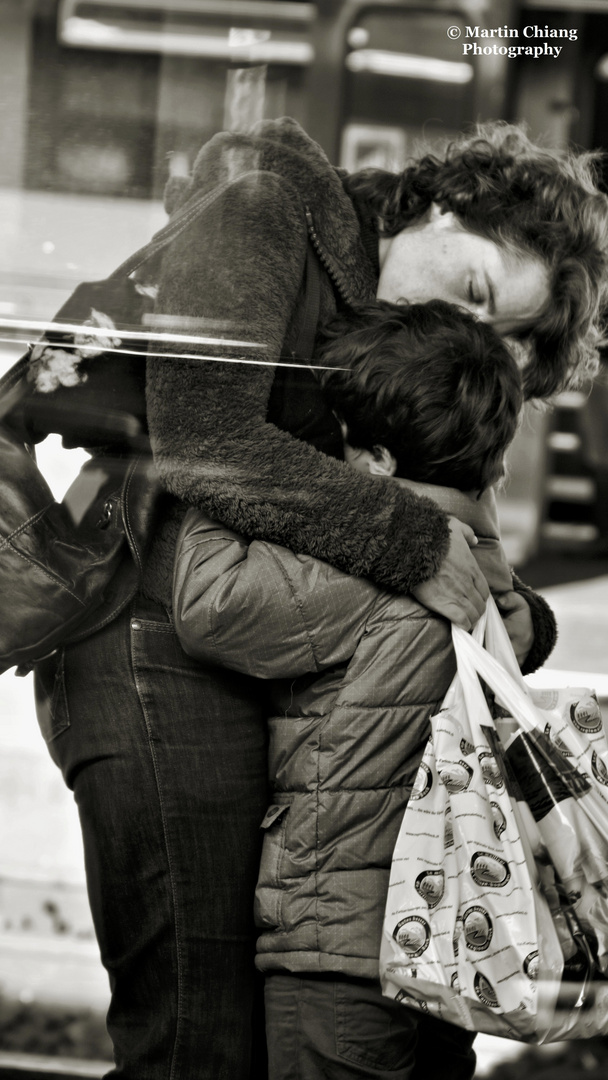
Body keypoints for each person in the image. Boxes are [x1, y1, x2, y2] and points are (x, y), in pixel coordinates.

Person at [32, 117, 608, 1079]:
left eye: (494, 337)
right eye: (475, 290)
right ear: (440, 202)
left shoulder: (409, 337)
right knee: (193, 1038)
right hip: (150, 641)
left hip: (258, 656)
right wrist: (415, 545)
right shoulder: (269, 205)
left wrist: (521, 618)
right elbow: (204, 432)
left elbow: (473, 529)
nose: (466, 327)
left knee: (250, 1045)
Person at [171, 297, 525, 1080]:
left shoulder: (372, 567)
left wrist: (237, 468)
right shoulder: (490, 563)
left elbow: (210, 604)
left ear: (381, 464)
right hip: (444, 945)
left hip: (344, 950)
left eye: (344, 450)